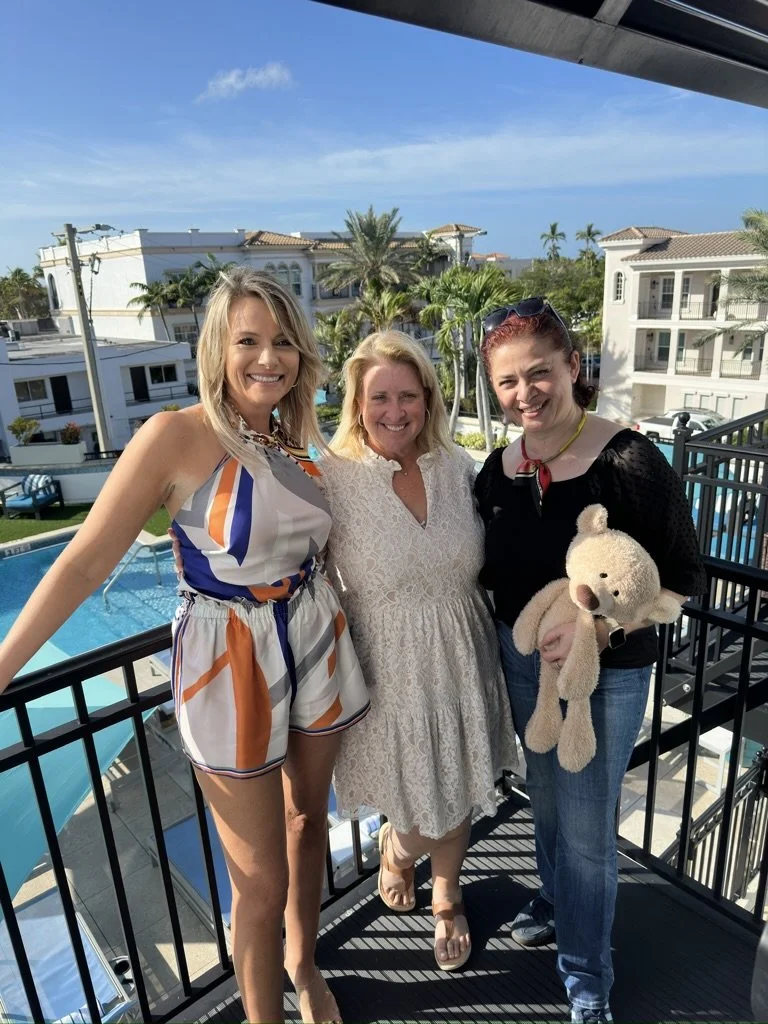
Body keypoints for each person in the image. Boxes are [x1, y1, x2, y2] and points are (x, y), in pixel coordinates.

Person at [0, 268, 369, 1024]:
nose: (269, 358)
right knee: (258, 882)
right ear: (216, 349)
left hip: (315, 640)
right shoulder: (175, 435)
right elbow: (83, 561)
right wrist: (3, 664)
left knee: (309, 824)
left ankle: (306, 960)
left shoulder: (291, 438)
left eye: (283, 343)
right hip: (229, 662)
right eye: (248, 341)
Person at [474, 298, 706, 1023]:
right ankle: (551, 901)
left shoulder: (628, 461)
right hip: (522, 667)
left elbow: (682, 573)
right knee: (545, 806)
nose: (524, 394)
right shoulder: (499, 469)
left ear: (573, 367)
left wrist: (597, 632)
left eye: (539, 373)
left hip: (605, 676)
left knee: (585, 832)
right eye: (507, 382)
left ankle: (586, 983)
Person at [320, 330, 518, 971]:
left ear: (428, 399)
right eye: (381, 396)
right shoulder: (332, 480)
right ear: (357, 401)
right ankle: (400, 853)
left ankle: (447, 894)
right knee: (414, 803)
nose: (395, 411)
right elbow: (306, 576)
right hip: (388, 666)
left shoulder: (459, 469)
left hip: (464, 655)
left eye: (409, 395)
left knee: (458, 785)